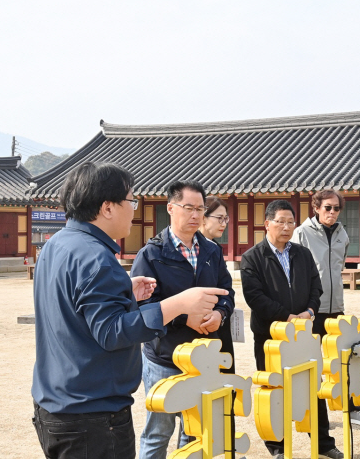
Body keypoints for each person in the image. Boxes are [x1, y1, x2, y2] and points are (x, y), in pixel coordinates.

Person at [31, 162, 224, 459]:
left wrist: (124, 294)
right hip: (92, 414)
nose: (135, 210)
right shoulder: (97, 258)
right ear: (108, 207)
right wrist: (178, 304)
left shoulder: (59, 244)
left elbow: (76, 309)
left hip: (58, 403)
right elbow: (111, 333)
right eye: (132, 201)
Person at [132, 181, 235, 459]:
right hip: (165, 358)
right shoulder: (151, 254)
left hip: (204, 358)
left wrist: (220, 314)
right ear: (171, 208)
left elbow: (227, 292)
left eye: (200, 209)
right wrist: (182, 319)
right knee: (157, 433)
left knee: (195, 433)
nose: (195, 215)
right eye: (188, 208)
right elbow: (144, 308)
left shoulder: (212, 251)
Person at [241, 199, 343, 459]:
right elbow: (255, 297)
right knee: (274, 391)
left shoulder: (302, 253)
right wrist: (286, 317)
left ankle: (323, 443)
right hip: (270, 337)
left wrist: (308, 312)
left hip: (302, 334)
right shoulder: (252, 257)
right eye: (280, 221)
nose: (286, 227)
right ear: (267, 224)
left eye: (290, 222)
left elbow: (315, 287)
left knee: (312, 387)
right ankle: (277, 447)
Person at [292, 189, 360, 426]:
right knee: (312, 361)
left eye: (336, 208)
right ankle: (313, 410)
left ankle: (351, 407)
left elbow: (339, 266)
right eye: (328, 207)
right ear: (316, 207)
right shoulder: (301, 233)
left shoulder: (341, 233)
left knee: (342, 358)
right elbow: (294, 272)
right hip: (311, 308)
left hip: (336, 307)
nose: (332, 212)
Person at [199, 196, 235, 375]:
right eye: (219, 218)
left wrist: (221, 311)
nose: (224, 223)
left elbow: (227, 288)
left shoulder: (215, 249)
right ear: (203, 218)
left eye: (226, 219)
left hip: (219, 321)